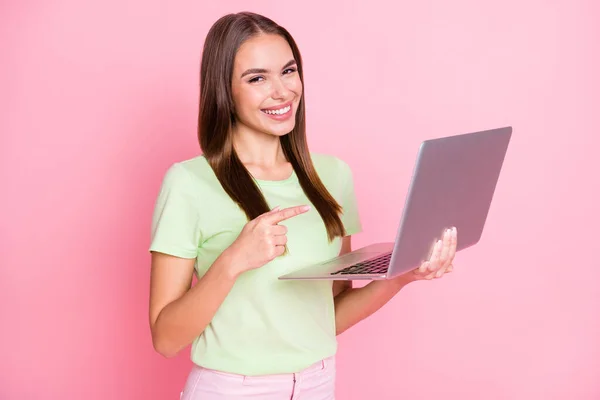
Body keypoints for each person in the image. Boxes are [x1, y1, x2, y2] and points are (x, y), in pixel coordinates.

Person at [148, 11, 457, 400]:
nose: (282, 91)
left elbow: (331, 314)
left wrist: (402, 275)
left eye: (288, 71)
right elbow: (165, 338)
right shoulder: (189, 183)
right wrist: (233, 261)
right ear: (224, 90)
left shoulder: (332, 176)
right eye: (257, 78)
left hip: (317, 384)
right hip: (233, 390)